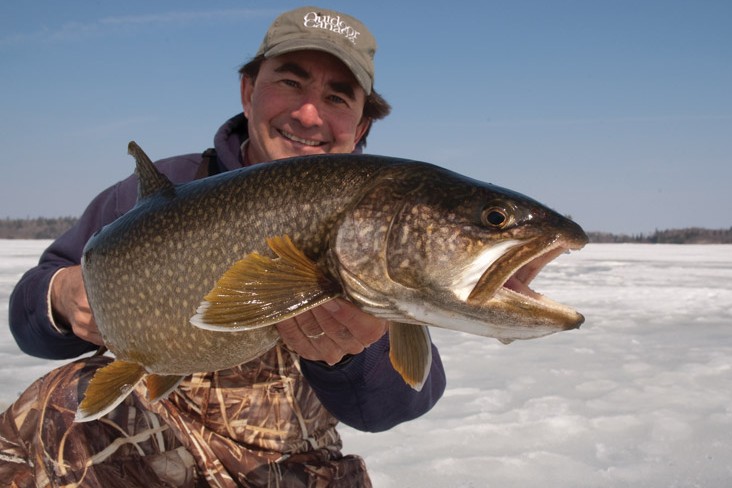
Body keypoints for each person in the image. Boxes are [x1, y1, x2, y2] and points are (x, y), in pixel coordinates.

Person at [0, 6, 446, 487]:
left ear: (360, 127)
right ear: (248, 91)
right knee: (57, 405)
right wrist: (63, 296)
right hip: (144, 453)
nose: (309, 114)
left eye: (337, 96)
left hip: (288, 469)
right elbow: (31, 312)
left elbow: (396, 403)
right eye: (291, 83)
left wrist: (353, 350)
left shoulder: (373, 223)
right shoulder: (159, 191)